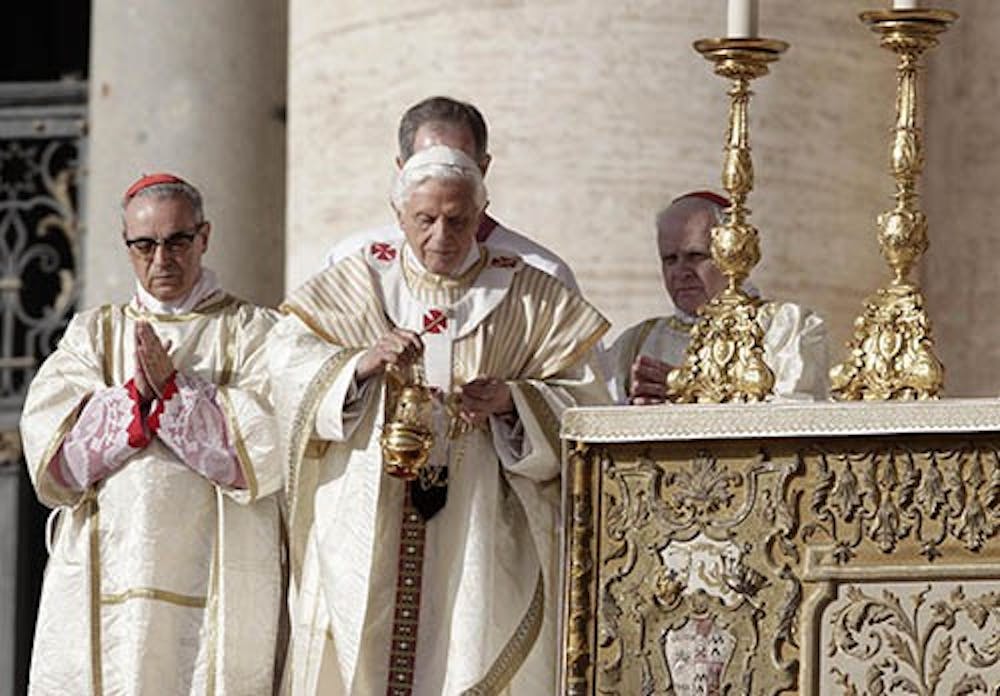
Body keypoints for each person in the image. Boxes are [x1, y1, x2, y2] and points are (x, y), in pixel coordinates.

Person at [271, 146, 609, 694]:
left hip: (480, 522)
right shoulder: (358, 280)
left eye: (459, 220)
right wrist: (359, 365)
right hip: (369, 510)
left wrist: (513, 402)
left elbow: (590, 405)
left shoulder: (531, 297)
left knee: (465, 647)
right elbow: (282, 368)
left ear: (483, 212)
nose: (441, 237)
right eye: (425, 220)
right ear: (398, 211)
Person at [20, 173, 284, 694]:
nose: (161, 259)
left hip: (218, 573)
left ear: (203, 237)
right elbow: (51, 454)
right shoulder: (92, 334)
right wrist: (134, 401)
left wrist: (176, 391)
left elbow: (269, 447)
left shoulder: (256, 332)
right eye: (144, 244)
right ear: (126, 246)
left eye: (177, 241)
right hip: (108, 572)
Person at [324, 95, 579, 290]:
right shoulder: (354, 262)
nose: (442, 177)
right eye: (426, 164)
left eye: (459, 165)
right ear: (401, 170)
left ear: (483, 168)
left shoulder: (541, 274)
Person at [608, 191, 829, 404]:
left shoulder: (784, 329)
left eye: (695, 256)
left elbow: (796, 420)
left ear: (731, 253)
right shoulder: (635, 343)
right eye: (670, 259)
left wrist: (689, 395)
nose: (681, 272)